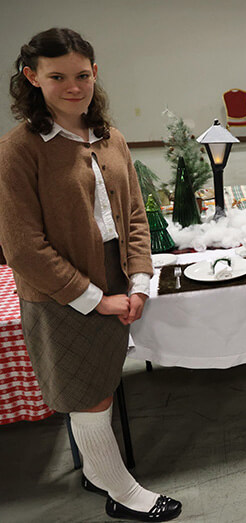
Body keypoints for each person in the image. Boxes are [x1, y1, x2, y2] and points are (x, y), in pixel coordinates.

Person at [0, 28, 182, 521]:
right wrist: (94, 298)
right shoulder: (19, 149)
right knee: (89, 394)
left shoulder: (111, 138)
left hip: (117, 278)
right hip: (62, 293)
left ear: (95, 74)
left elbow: (136, 218)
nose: (73, 86)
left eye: (82, 75)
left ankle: (96, 471)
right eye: (57, 76)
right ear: (32, 77)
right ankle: (122, 493)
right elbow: (23, 247)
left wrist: (139, 281)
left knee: (99, 386)